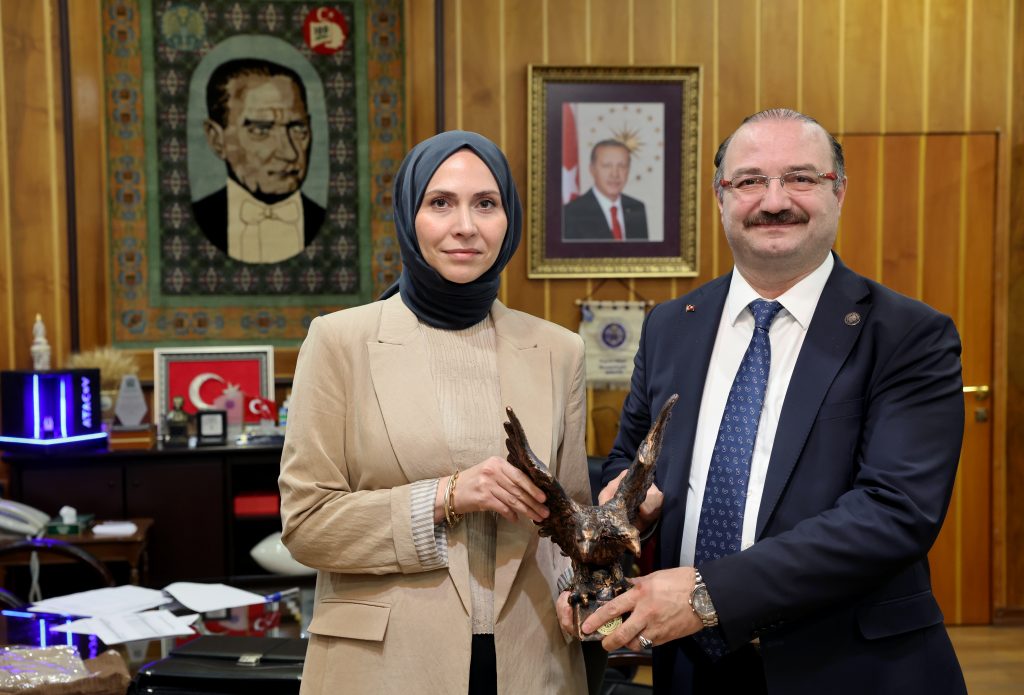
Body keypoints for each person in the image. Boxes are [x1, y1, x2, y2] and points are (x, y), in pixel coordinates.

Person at [568, 108, 967, 694]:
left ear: (839, 191)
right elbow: (633, 462)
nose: (774, 200)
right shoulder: (671, 328)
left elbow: (894, 512)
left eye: (801, 178)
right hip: (693, 669)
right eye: (750, 180)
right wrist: (628, 507)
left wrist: (709, 595)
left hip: (849, 668)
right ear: (721, 197)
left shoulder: (909, 335)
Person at [279, 130, 591, 694]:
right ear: (409, 215)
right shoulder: (339, 342)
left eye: (486, 204)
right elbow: (306, 526)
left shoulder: (559, 350)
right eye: (441, 202)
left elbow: (567, 525)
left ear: (510, 219)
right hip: (382, 668)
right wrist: (447, 496)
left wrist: (586, 579)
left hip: (529, 664)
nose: (465, 225)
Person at [193, 58, 325, 263]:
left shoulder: (332, 225)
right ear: (216, 139)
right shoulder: (195, 223)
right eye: (261, 130)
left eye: (298, 129)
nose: (289, 153)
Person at [563, 139, 648, 241]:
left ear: (628, 170)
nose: (615, 174)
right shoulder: (571, 214)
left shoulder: (637, 208)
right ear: (592, 169)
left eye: (622, 166)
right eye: (607, 166)